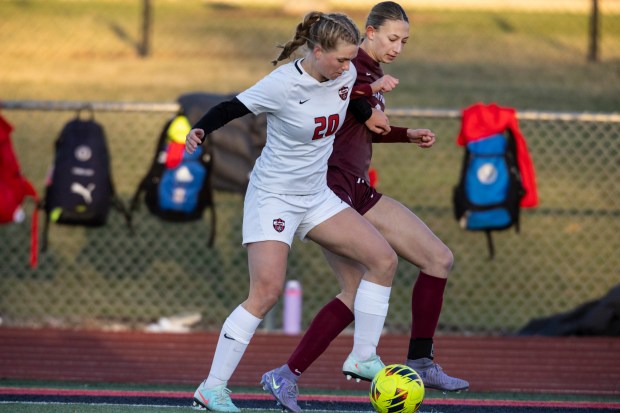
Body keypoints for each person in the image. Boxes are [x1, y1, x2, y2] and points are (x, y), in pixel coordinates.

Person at [185, 11, 399, 413]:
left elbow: (350, 102)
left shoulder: (347, 73)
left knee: (383, 260)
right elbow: (232, 107)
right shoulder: (283, 84)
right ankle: (210, 389)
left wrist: (370, 111)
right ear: (317, 51)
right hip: (274, 198)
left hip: (316, 196)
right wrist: (200, 128)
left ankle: (363, 357)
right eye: (339, 59)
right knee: (265, 293)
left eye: (351, 60)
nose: (346, 67)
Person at [261, 3, 469, 412]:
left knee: (438, 259)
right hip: (327, 191)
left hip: (359, 188)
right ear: (369, 32)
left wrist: (406, 134)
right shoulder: (349, 65)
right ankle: (286, 375)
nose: (398, 47)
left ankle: (421, 361)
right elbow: (351, 99)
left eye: (405, 41)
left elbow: (365, 123)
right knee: (357, 289)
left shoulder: (367, 75)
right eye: (392, 38)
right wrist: (369, 98)